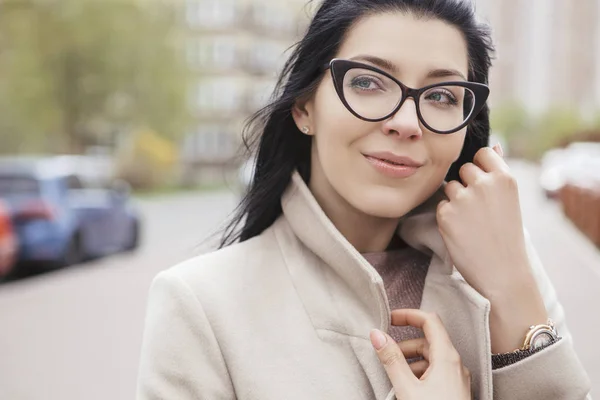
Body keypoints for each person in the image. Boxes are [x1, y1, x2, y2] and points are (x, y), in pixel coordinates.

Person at [136, 0, 592, 399]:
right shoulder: (201, 306)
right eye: (368, 83)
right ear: (305, 107)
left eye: (441, 95)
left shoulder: (506, 265)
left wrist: (512, 289)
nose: (407, 122)